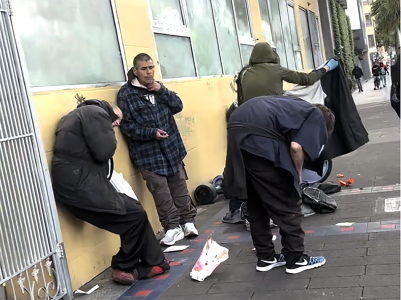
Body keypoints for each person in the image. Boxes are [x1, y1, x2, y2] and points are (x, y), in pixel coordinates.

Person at [51, 99, 171, 285]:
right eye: (116, 120)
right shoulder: (95, 113)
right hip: (79, 185)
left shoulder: (79, 115)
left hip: (76, 183)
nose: (116, 124)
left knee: (135, 211)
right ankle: (123, 265)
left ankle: (155, 263)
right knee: (133, 215)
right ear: (109, 113)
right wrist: (109, 126)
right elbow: (104, 150)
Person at [223, 42, 338, 224]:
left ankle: (238, 208)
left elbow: (241, 99)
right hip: (269, 123)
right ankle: (285, 204)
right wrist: (325, 68)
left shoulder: (244, 73)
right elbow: (307, 80)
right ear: (271, 56)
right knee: (278, 165)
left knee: (244, 166)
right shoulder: (276, 69)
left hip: (243, 120)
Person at [223, 95, 335, 274]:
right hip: (258, 140)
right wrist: (297, 174)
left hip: (238, 137)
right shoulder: (316, 115)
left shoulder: (293, 107)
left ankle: (265, 258)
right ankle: (296, 259)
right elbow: (296, 147)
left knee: (256, 205)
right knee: (288, 201)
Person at [117, 53, 197, 246]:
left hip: (172, 149)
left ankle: (187, 222)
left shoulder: (159, 88)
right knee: (161, 192)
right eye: (144, 69)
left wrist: (161, 90)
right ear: (135, 71)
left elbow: (178, 106)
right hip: (148, 155)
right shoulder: (126, 94)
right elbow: (127, 126)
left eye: (151, 67)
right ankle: (172, 227)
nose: (149, 72)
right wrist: (151, 133)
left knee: (179, 187)